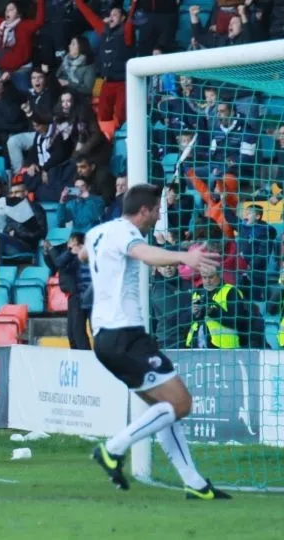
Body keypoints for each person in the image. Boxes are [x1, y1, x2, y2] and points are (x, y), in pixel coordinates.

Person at [81, 183, 231, 500]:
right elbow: (144, 254)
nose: (158, 217)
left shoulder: (98, 233)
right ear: (144, 210)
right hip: (125, 334)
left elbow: (83, 254)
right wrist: (186, 256)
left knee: (165, 409)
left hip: (105, 337)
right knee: (181, 404)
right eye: (156, 212)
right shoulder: (126, 233)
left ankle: (195, 483)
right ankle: (112, 449)